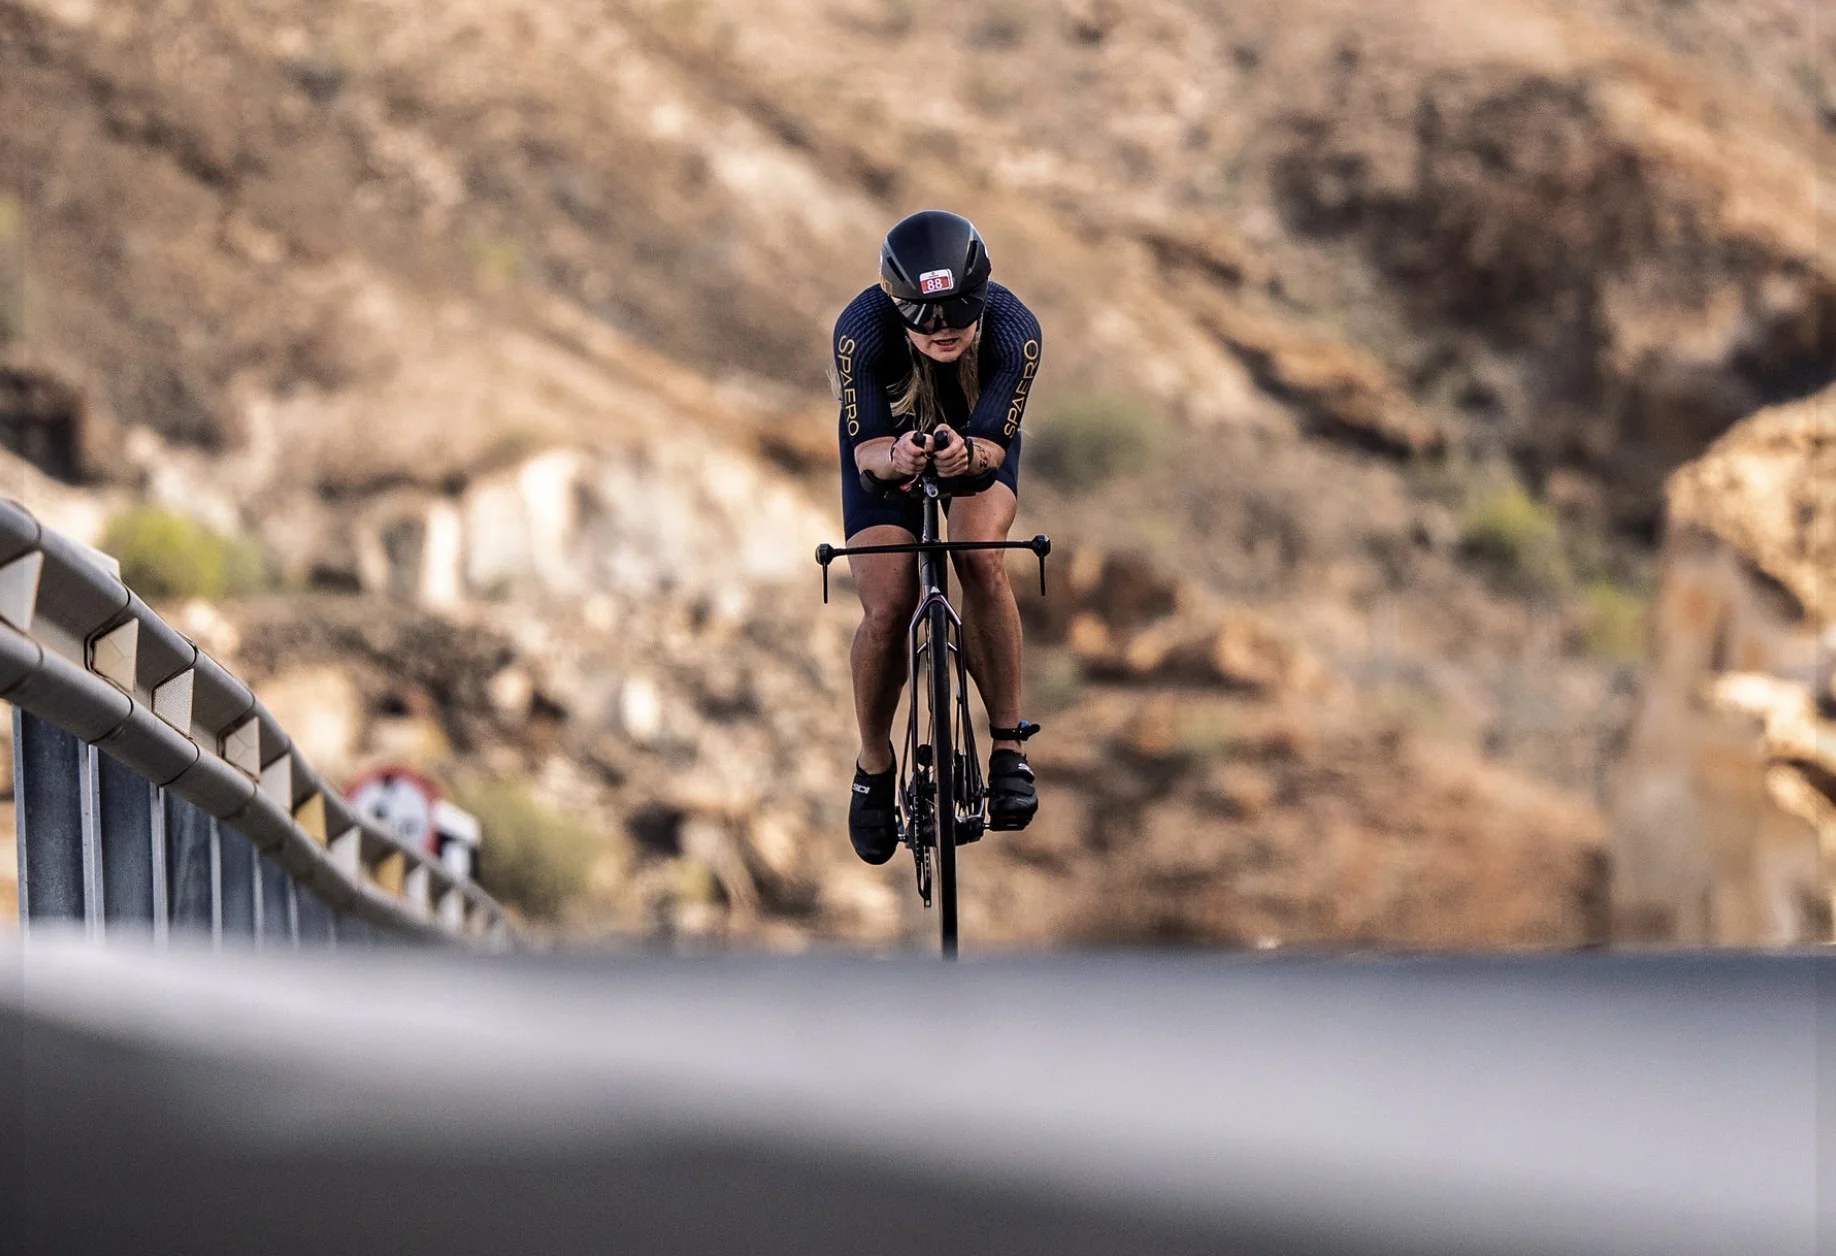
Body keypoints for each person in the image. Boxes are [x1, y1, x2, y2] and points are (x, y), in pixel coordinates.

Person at [831, 209, 1043, 864]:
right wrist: (898, 459)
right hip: (886, 447)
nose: (943, 329)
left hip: (978, 440)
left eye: (958, 312)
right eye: (925, 318)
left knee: (981, 558)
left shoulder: (1016, 331)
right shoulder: (860, 330)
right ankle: (874, 766)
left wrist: (968, 457)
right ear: (896, 307)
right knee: (888, 607)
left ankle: (1008, 748)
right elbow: (866, 451)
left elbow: (990, 444)